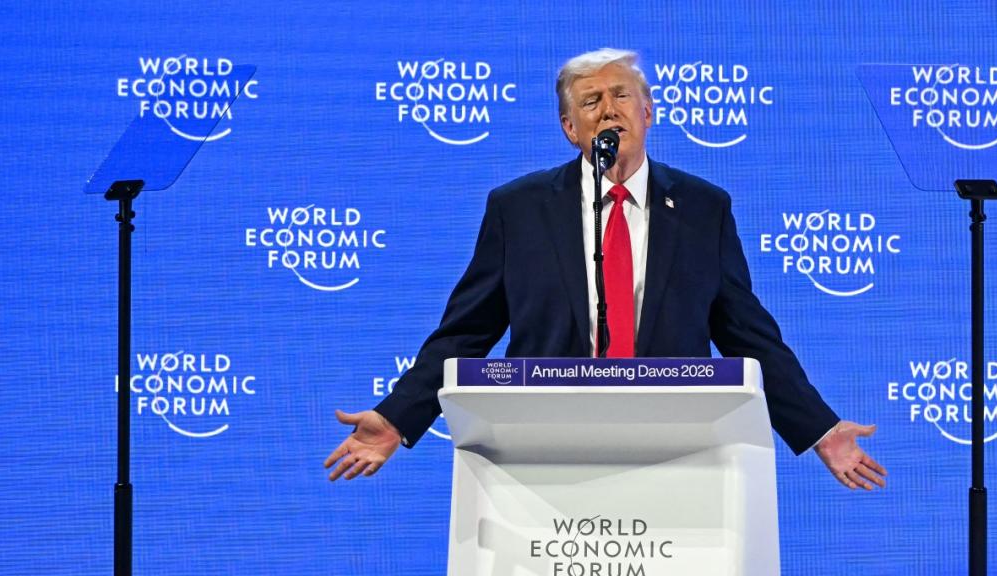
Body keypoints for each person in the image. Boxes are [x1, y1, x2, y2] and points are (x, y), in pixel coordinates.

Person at [326, 48, 885, 491]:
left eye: (622, 95)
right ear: (570, 128)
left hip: (675, 451)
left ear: (648, 113)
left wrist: (818, 428)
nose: (610, 109)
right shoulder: (518, 209)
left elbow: (748, 333)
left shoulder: (702, 208)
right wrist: (399, 417)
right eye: (591, 101)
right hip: (542, 454)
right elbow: (466, 332)